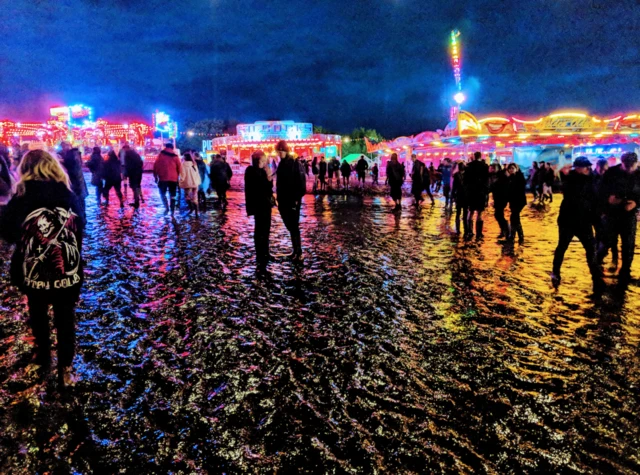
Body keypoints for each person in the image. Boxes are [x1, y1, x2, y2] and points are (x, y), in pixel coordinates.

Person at [0, 150, 85, 387]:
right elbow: (81, 227)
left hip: (31, 273)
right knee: (65, 318)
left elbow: (6, 232)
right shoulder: (68, 195)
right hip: (67, 274)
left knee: (37, 313)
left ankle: (43, 356)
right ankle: (65, 369)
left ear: (25, 169)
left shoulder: (22, 196)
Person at [551, 157, 604, 293]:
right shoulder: (571, 179)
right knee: (562, 246)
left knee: (590, 249)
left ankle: (596, 279)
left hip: (584, 221)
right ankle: (555, 272)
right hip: (568, 220)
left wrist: (598, 221)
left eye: (582, 167)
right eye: (579, 167)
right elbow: (563, 189)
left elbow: (596, 201)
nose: (581, 169)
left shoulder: (593, 180)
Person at [596, 152, 640, 283]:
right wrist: (608, 202)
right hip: (612, 214)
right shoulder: (611, 173)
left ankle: (625, 271)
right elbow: (600, 192)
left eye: (631, 166)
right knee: (606, 242)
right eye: (626, 166)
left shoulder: (639, 175)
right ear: (622, 163)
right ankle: (596, 265)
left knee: (628, 245)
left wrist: (636, 203)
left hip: (629, 215)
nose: (629, 169)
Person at [275, 140, 306, 260]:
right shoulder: (282, 163)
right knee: (290, 225)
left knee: (293, 226)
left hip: (292, 200)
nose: (279, 153)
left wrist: (297, 198)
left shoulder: (294, 163)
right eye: (279, 151)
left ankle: (298, 252)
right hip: (283, 200)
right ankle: (296, 251)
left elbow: (301, 181)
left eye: (281, 151)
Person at [245, 150, 274, 270]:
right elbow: (259, 187)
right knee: (259, 230)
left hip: (266, 204)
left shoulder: (261, 171)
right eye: (263, 160)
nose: (265, 162)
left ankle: (266, 252)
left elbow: (268, 187)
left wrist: (269, 178)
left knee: (266, 229)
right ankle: (260, 254)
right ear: (257, 161)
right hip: (258, 204)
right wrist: (268, 177)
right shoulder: (251, 171)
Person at [593, 157, 618, 269]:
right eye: (602, 170)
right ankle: (599, 256)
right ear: (598, 167)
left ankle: (603, 256)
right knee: (601, 236)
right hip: (598, 211)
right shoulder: (593, 178)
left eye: (605, 170)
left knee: (608, 236)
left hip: (608, 212)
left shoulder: (608, 178)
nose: (603, 172)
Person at [464, 151, 490, 239]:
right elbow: (487, 180)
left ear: (474, 156)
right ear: (480, 156)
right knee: (480, 212)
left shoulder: (469, 166)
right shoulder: (484, 166)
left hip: (471, 192)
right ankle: (479, 233)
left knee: (470, 212)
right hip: (480, 192)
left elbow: (465, 180)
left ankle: (470, 231)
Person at [153, 143, 182, 215]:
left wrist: (155, 176)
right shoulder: (175, 157)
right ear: (172, 148)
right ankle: (172, 210)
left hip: (163, 178)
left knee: (162, 193)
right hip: (173, 178)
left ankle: (166, 207)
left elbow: (155, 166)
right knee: (173, 194)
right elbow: (179, 168)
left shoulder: (160, 156)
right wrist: (179, 177)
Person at [61, 147, 88, 217]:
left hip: (76, 189)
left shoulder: (72, 162)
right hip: (80, 189)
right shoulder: (76, 160)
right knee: (81, 207)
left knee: (78, 208)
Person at [505, 163, 527, 243]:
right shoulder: (510, 178)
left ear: (516, 169)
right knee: (515, 218)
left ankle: (514, 236)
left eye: (512, 168)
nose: (511, 170)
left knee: (514, 217)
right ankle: (518, 236)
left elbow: (518, 190)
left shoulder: (519, 177)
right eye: (510, 168)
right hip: (513, 202)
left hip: (519, 201)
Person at [490, 163, 509, 239]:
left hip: (502, 198)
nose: (492, 170)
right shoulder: (493, 176)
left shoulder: (502, 176)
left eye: (493, 168)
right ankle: (504, 230)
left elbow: (504, 187)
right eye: (491, 168)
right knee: (498, 215)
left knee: (498, 215)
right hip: (497, 198)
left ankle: (506, 230)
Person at [452, 161, 468, 235]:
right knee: (462, 213)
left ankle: (461, 230)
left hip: (461, 195)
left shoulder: (457, 175)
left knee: (460, 213)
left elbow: (454, 187)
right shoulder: (465, 175)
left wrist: (452, 196)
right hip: (463, 196)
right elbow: (454, 186)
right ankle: (463, 230)